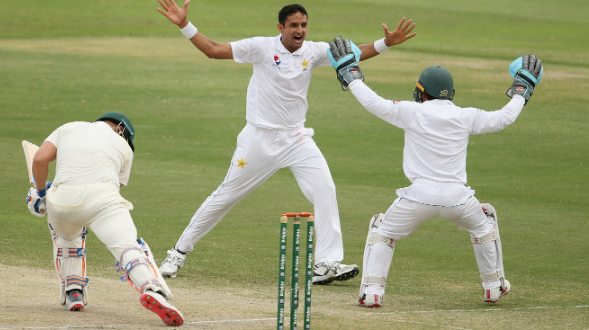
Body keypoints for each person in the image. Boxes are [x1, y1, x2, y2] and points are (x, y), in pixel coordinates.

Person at [155, 0, 417, 284]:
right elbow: (213, 50)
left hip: (296, 139)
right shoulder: (261, 47)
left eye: (304, 25)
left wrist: (386, 43)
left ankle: (325, 264)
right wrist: (184, 24)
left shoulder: (314, 51)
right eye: (294, 25)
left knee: (325, 189)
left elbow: (350, 55)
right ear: (281, 27)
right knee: (225, 196)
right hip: (259, 139)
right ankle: (178, 253)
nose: (300, 30)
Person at [327, 39, 542, 306]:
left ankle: (372, 292)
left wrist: (351, 74)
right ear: (450, 93)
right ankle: (493, 287)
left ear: (422, 92)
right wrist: (522, 90)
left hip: (417, 198)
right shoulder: (466, 115)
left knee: (382, 231)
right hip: (458, 199)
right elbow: (503, 118)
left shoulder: (411, 111)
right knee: (485, 221)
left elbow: (374, 102)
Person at [26, 112, 184, 326]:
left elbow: (39, 159)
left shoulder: (68, 127)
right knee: (127, 247)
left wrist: (39, 192)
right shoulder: (125, 148)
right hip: (102, 200)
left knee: (67, 238)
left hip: (61, 202)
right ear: (121, 129)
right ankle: (152, 288)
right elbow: (113, 186)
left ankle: (74, 293)